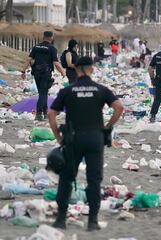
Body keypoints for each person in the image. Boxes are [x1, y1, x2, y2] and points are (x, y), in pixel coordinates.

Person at [48, 56, 124, 231]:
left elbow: (51, 114)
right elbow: (119, 107)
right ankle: (92, 221)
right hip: (95, 138)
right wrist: (108, 126)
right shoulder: (100, 89)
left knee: (67, 179)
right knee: (94, 180)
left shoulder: (68, 90)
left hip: (74, 138)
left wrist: (58, 137)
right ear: (91, 69)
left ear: (76, 69)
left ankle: (61, 219)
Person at [21, 31, 65, 121]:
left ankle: (44, 112)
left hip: (36, 72)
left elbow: (28, 59)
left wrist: (23, 71)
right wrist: (62, 72)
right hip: (46, 73)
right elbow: (56, 63)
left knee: (42, 92)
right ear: (51, 37)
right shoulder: (52, 48)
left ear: (43, 36)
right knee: (43, 93)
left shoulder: (36, 47)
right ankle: (39, 113)